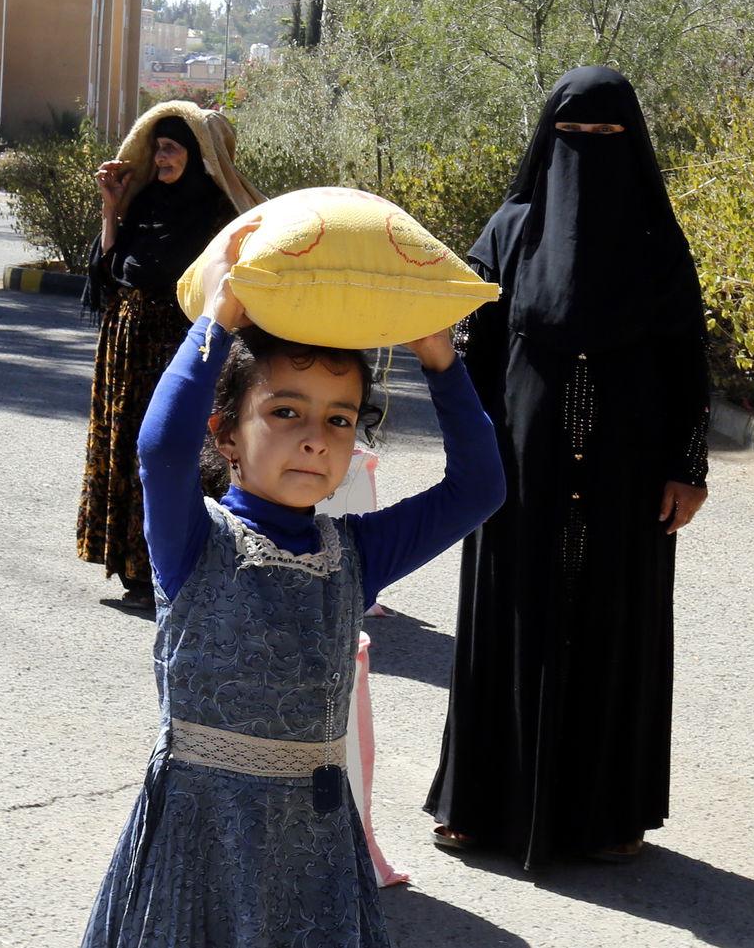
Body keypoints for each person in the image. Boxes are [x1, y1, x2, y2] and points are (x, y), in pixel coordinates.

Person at [78, 218, 505, 947]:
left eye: (339, 419)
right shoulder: (195, 540)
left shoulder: (357, 552)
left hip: (313, 847)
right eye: (285, 412)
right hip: (197, 839)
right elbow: (160, 448)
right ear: (225, 434)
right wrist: (219, 317)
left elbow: (480, 488)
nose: (315, 437)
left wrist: (440, 357)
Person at [424, 65, 711, 869]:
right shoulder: (511, 232)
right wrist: (468, 456)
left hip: (629, 480)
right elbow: (471, 351)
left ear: (633, 145)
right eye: (571, 135)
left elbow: (689, 361)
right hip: (518, 473)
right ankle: (478, 803)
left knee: (613, 626)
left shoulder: (656, 244)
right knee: (507, 619)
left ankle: (608, 813)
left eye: (605, 137)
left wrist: (688, 468)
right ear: (547, 141)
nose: (586, 151)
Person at [76, 101, 265, 609]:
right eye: (156, 148)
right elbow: (108, 271)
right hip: (125, 345)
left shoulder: (220, 217)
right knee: (126, 448)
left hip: (180, 347)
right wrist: (111, 209)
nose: (160, 158)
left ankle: (178, 567)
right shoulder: (144, 204)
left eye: (170, 148)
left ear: (196, 155)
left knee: (172, 450)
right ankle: (134, 570)